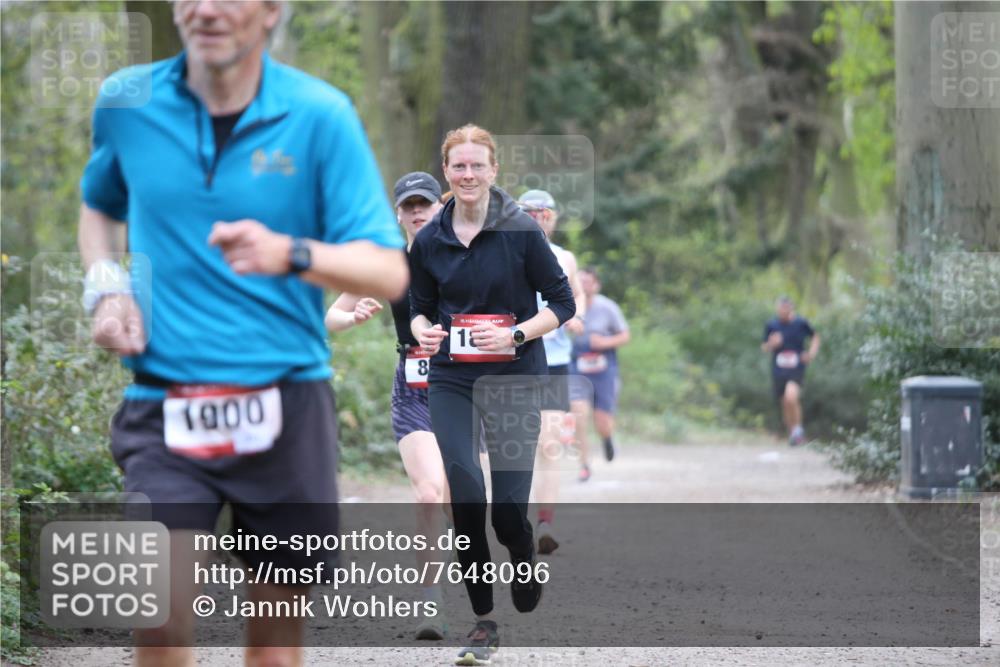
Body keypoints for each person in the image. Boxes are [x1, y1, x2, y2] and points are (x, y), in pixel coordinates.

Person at [78, 2, 406, 666]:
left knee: (275, 647)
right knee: (161, 618)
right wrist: (109, 287)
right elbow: (98, 206)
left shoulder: (321, 114)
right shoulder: (127, 101)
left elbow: (390, 269)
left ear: (271, 11)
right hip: (164, 403)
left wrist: (294, 253)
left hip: (286, 406)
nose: (205, 8)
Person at [408, 125, 575, 666]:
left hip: (515, 376)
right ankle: (483, 622)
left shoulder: (522, 230)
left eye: (478, 166)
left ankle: (522, 553)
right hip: (453, 378)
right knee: (464, 495)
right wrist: (422, 329)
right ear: (447, 173)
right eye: (459, 167)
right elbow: (418, 303)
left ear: (494, 170)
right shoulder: (431, 236)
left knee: (506, 513)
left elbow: (562, 303)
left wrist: (517, 333)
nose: (469, 175)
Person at [324, 171, 451, 640]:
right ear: (397, 214)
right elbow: (330, 316)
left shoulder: (466, 255)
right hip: (413, 386)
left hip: (462, 387)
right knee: (427, 492)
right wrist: (350, 316)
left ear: (441, 207)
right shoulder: (387, 262)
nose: (417, 212)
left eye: (425, 204)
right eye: (408, 206)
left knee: (458, 499)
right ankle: (430, 602)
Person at [517, 190, 586, 555]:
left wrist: (579, 317)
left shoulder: (565, 258)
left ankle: (544, 522)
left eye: (546, 212)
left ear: (553, 218)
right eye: (531, 211)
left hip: (554, 362)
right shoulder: (506, 253)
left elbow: (576, 296)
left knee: (550, 444)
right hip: (513, 360)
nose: (540, 217)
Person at [569, 267, 630, 481]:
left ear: (596, 285)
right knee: (579, 415)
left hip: (604, 368)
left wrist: (604, 342)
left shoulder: (608, 307)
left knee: (602, 420)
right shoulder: (569, 304)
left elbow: (625, 335)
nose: (584, 286)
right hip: (577, 367)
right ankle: (584, 465)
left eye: (588, 282)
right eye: (580, 281)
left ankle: (607, 438)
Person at [761, 296, 820, 446]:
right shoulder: (772, 325)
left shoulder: (801, 323)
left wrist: (811, 354)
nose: (782, 312)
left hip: (796, 367)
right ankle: (792, 433)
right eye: (780, 309)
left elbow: (815, 337)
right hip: (779, 369)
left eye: (785, 309)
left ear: (790, 308)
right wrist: (772, 344)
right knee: (784, 402)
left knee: (791, 397)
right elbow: (764, 347)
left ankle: (798, 430)